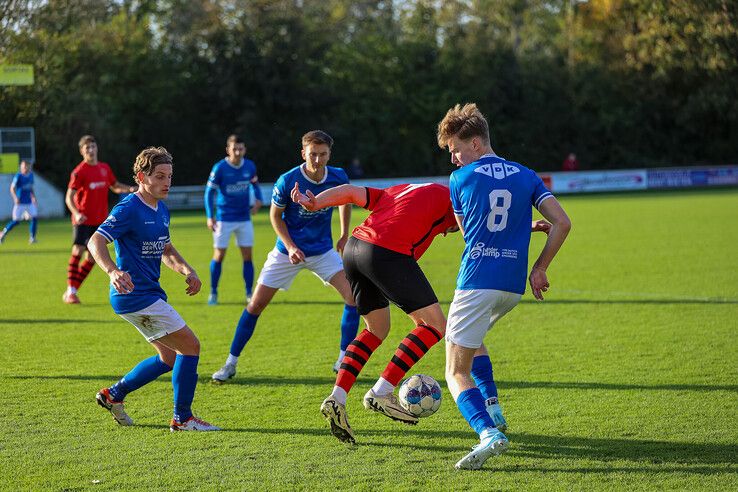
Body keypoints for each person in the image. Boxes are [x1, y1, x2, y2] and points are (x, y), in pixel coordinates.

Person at [437, 103, 571, 470]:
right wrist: (539, 267)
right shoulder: (526, 174)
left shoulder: (460, 180)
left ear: (476, 143)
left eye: (456, 150)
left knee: (454, 370)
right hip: (512, 286)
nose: (454, 159)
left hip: (477, 280)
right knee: (473, 339)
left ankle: (487, 433)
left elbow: (471, 235)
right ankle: (493, 410)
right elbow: (562, 223)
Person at [88, 146, 219, 432]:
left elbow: (166, 248)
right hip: (136, 295)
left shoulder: (161, 209)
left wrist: (188, 270)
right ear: (141, 177)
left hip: (144, 295)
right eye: (159, 176)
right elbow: (95, 241)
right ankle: (182, 418)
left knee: (168, 357)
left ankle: (114, 394)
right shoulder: (128, 208)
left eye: (169, 176)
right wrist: (112, 271)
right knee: (191, 346)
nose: (166, 182)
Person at [211, 130, 359, 382]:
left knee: (354, 298)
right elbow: (275, 217)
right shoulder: (288, 180)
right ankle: (230, 364)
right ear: (303, 153)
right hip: (286, 253)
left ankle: (343, 358)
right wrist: (290, 246)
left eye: (323, 154)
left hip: (322, 251)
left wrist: (344, 233)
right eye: (313, 154)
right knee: (255, 305)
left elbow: (346, 200)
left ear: (329, 154)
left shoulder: (338, 176)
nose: (318, 160)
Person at [63, 135, 136, 304]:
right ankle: (71, 290)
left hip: (99, 221)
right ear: (82, 151)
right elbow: (69, 197)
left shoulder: (104, 168)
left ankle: (72, 291)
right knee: (78, 251)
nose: (91, 150)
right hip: (82, 220)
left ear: (97, 148)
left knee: (91, 258)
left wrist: (131, 188)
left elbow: (115, 186)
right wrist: (76, 213)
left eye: (93, 146)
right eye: (87, 147)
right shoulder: (79, 171)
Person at [204, 134, 263, 305]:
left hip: (244, 218)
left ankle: (249, 293)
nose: (238, 152)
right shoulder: (220, 168)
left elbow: (256, 185)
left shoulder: (250, 166)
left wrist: (258, 201)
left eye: (241, 148)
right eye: (234, 148)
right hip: (224, 218)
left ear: (244, 149)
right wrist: (210, 216)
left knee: (247, 257)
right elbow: (209, 192)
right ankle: (213, 293)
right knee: (219, 255)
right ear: (228, 149)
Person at [0, 160, 38, 244]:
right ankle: (2, 233)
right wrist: (15, 198)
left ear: (28, 166)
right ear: (21, 167)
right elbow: (12, 188)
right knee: (16, 221)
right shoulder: (18, 176)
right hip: (20, 203)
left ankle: (32, 237)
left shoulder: (31, 175)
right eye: (23, 166)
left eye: (26, 166)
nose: (25, 168)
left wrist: (33, 197)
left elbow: (30, 188)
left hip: (29, 202)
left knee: (34, 218)